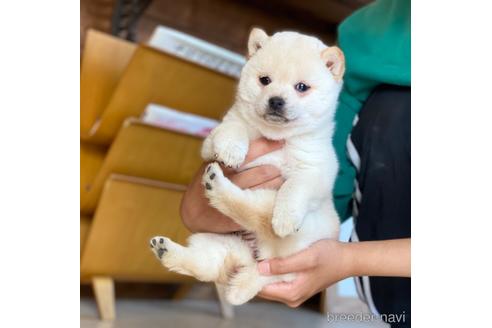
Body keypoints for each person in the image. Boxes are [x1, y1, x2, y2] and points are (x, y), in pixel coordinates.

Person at [180, 0, 410, 326]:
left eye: (301, 88)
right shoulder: (365, 33)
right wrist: (203, 201)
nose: (279, 97)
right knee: (392, 111)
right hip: (396, 295)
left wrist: (348, 260)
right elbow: (331, 173)